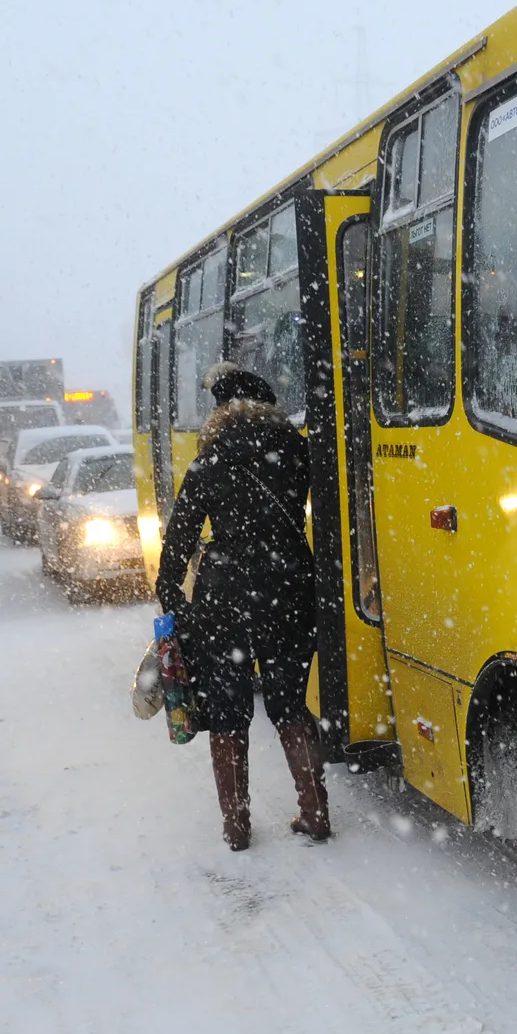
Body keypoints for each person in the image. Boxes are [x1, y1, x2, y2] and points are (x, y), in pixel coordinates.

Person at [157, 360, 326, 850]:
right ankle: (314, 811)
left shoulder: (211, 461)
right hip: (290, 590)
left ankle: (236, 826)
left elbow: (178, 539)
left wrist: (172, 605)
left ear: (220, 411)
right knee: (290, 704)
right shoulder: (297, 450)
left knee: (228, 712)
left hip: (224, 598)